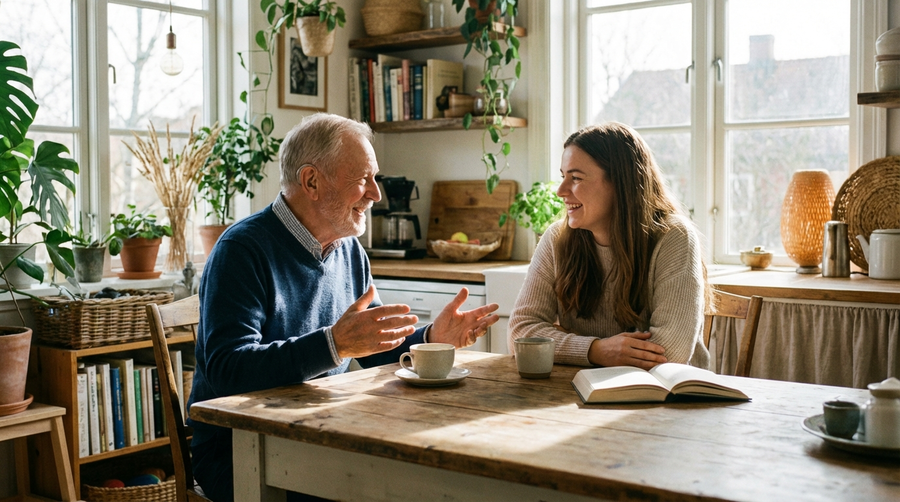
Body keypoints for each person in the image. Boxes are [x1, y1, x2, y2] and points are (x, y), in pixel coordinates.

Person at [187, 113, 500, 502]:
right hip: (239, 447)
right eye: (363, 179)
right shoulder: (241, 250)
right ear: (312, 181)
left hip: (317, 431)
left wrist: (432, 339)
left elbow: (374, 347)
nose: (376, 194)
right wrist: (333, 344)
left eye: (375, 178)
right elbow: (227, 370)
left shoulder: (349, 249)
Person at [508, 122, 710, 371]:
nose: (561, 191)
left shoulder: (674, 237)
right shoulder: (555, 239)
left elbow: (669, 352)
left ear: (620, 183)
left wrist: (563, 344)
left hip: (673, 399)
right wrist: (597, 351)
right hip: (579, 393)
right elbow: (520, 332)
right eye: (563, 177)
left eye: (576, 178)